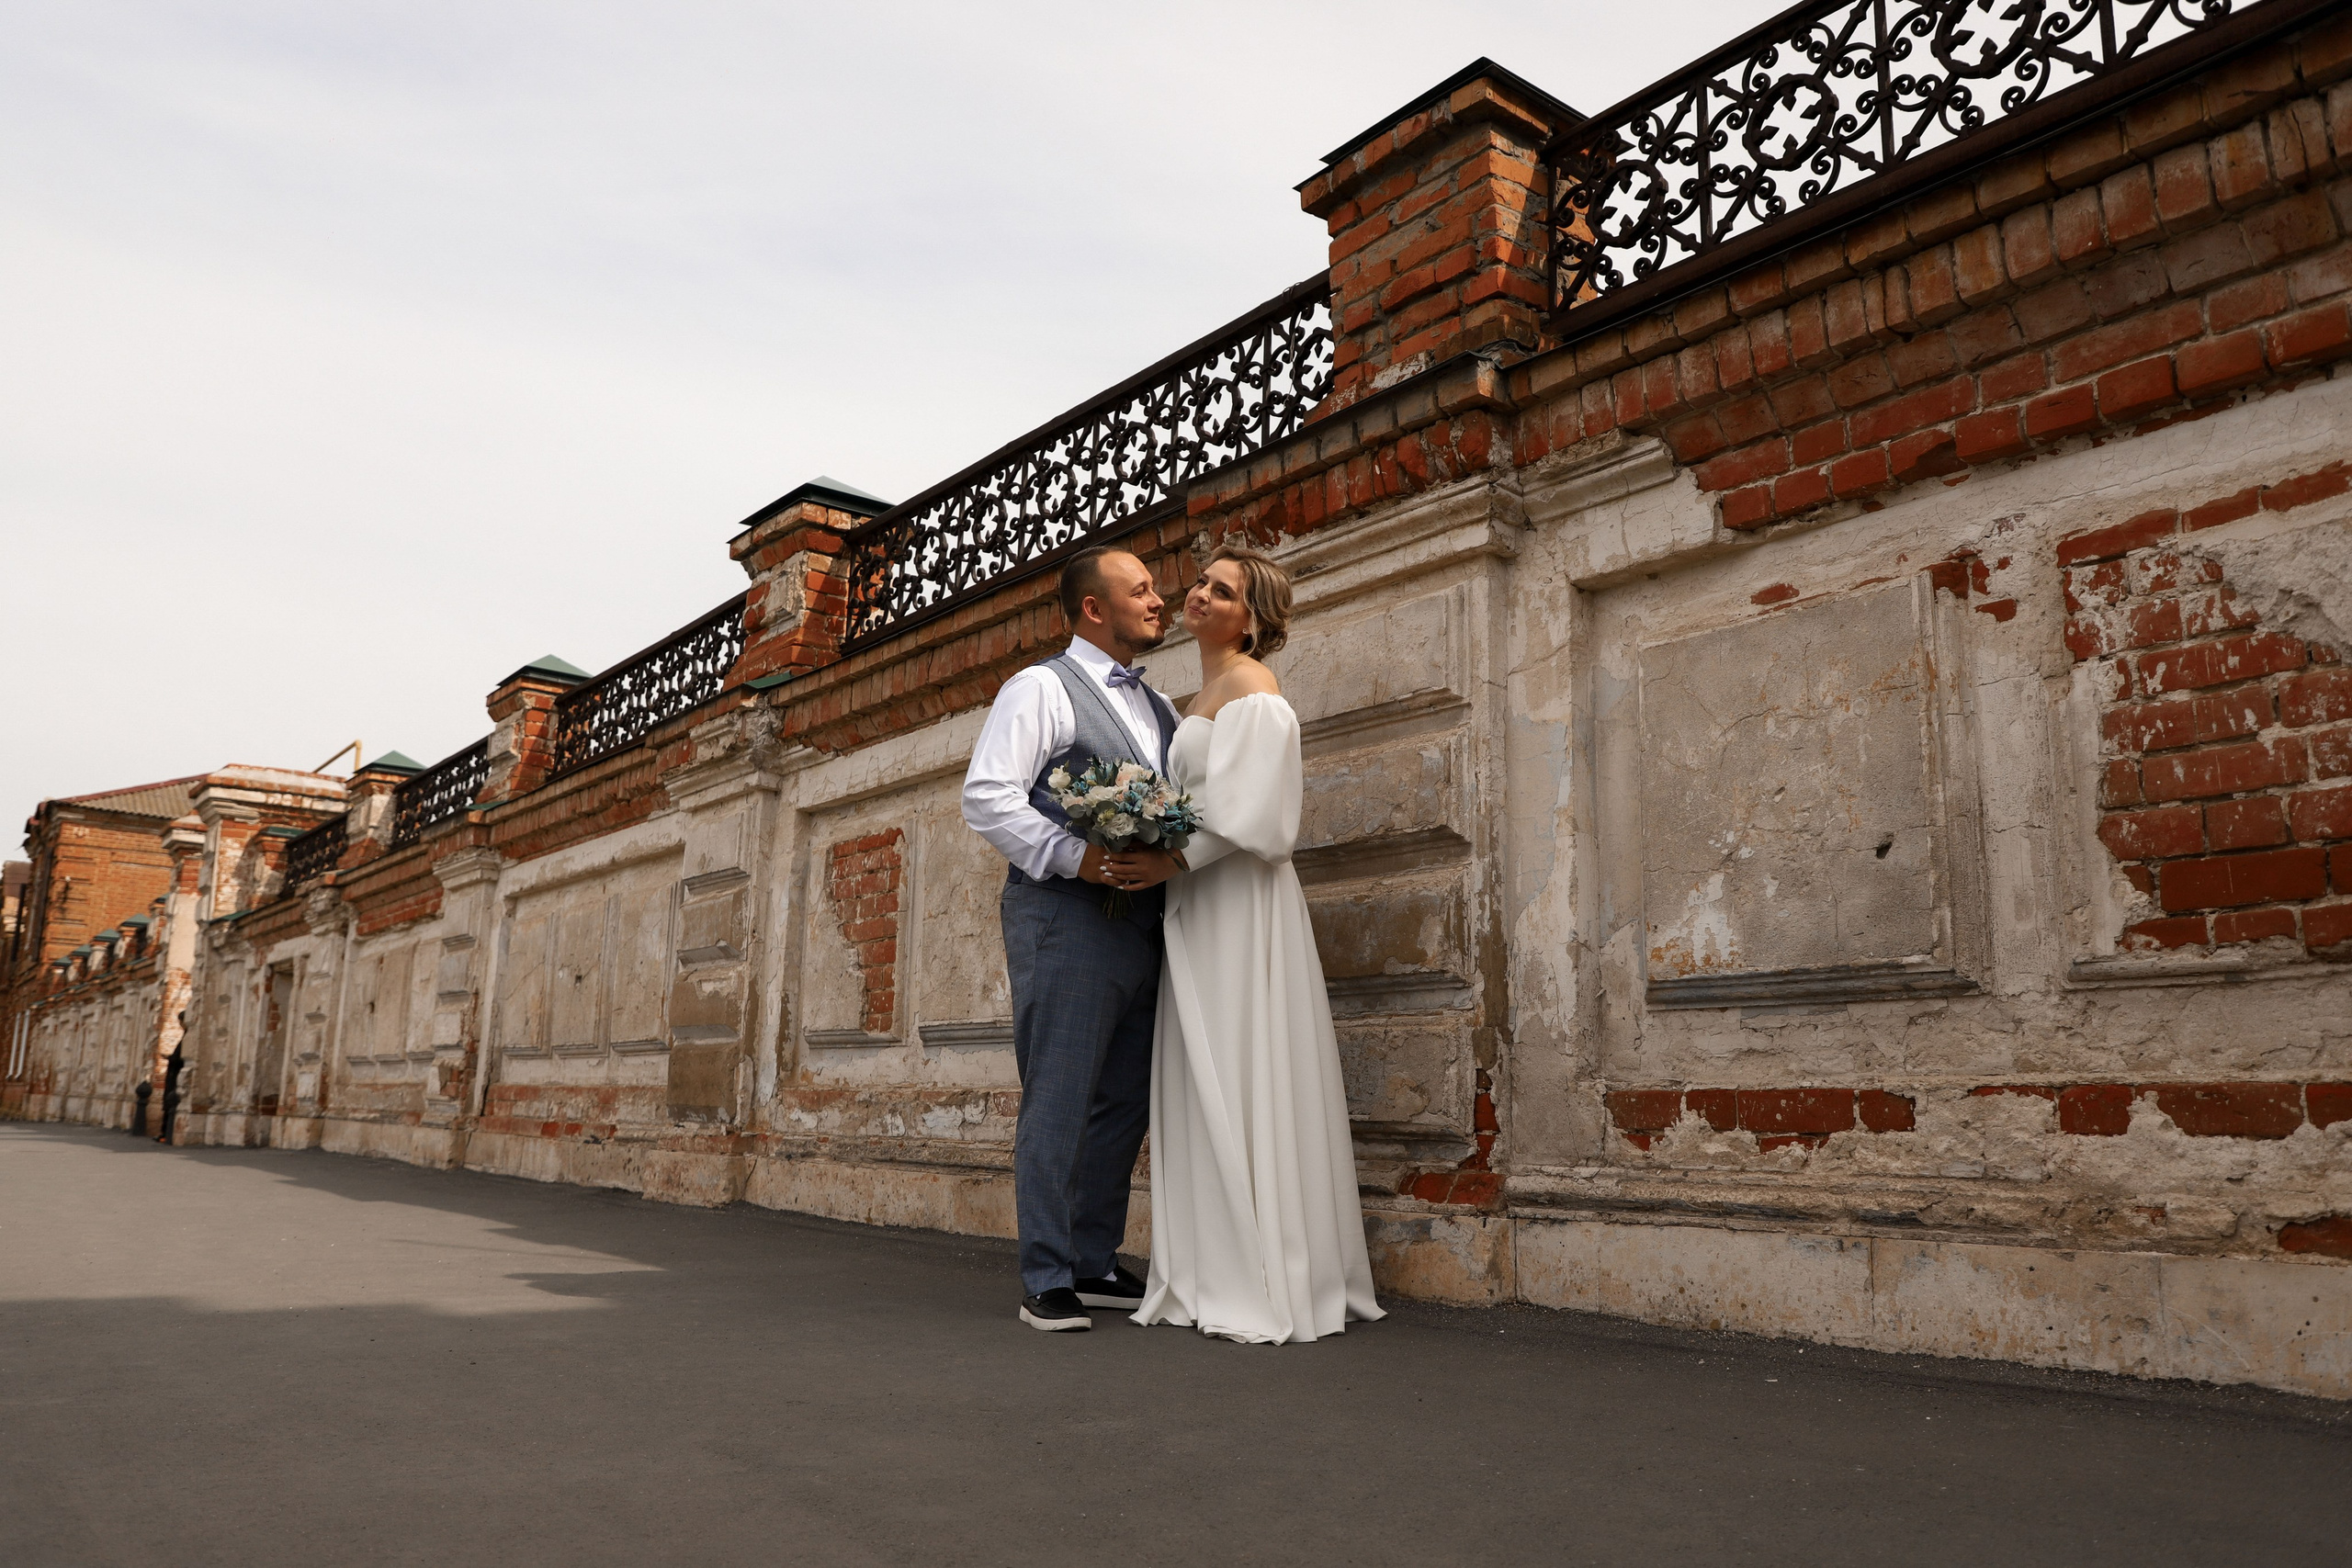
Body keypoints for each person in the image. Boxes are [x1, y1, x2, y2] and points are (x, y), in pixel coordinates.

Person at [1106, 542, 1384, 1344]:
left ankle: (1263, 1274)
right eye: (1200, 582)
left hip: (1237, 902)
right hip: (1197, 900)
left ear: (1252, 621)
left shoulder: (1255, 690)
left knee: (1240, 1061)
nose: (1198, 594)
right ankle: (1209, 1267)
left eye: (1221, 591)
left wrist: (1169, 860)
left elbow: (1258, 813)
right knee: (1203, 1069)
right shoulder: (1198, 694)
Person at [961, 545, 1182, 1331]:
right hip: (1064, 914)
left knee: (1124, 1099)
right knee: (1058, 1095)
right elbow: (987, 795)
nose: (1159, 599)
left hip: (1145, 925)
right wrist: (1074, 856)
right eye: (1141, 589)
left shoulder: (1162, 708)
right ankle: (1047, 1275)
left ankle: (1092, 1259)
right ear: (1094, 607)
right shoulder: (1041, 687)